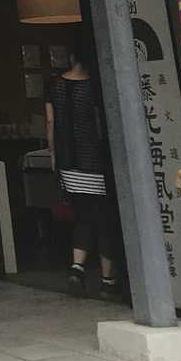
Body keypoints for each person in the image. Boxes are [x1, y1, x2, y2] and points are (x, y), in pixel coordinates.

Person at [45, 30, 122, 299]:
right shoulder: (97, 87)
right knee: (104, 219)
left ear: (71, 56)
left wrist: (54, 155)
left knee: (83, 216)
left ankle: (77, 268)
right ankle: (108, 281)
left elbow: (51, 122)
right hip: (95, 162)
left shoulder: (54, 85)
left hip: (68, 163)